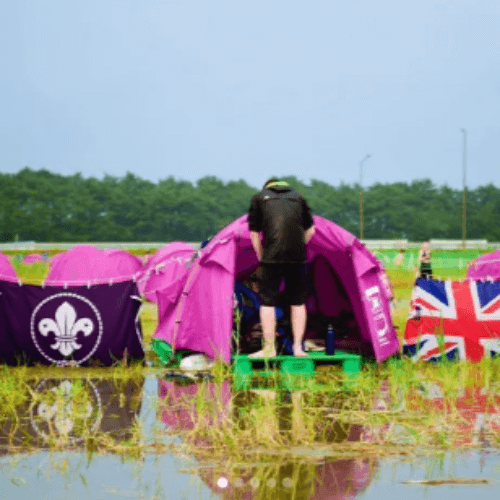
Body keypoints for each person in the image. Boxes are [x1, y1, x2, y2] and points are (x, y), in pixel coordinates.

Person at [248, 178, 316, 358]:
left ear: (266, 188)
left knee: (267, 302)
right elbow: (311, 231)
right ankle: (298, 349)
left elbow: (254, 233)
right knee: (298, 302)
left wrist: (261, 256)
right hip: (297, 258)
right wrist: (301, 248)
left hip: (272, 256)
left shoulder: (259, 198)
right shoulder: (299, 198)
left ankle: (269, 349)